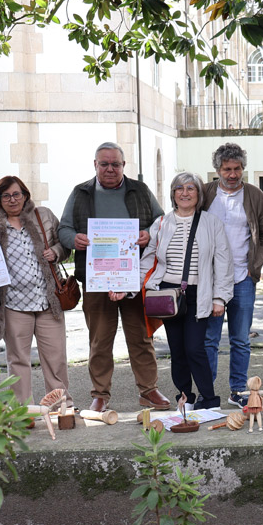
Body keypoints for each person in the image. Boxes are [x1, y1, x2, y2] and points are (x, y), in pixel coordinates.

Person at [58, 142, 170, 411]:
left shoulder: (140, 190)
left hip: (133, 276)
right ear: (95, 164)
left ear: (123, 166)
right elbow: (63, 229)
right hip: (97, 280)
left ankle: (148, 390)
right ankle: (100, 394)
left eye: (115, 164)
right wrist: (75, 239)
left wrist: (148, 234)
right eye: (104, 164)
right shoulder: (80, 192)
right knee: (99, 340)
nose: (110, 169)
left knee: (141, 337)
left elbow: (161, 221)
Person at [141, 172, 233, 410]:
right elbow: (148, 259)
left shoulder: (211, 223)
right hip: (167, 295)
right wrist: (130, 288)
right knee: (178, 350)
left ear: (198, 194)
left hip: (198, 293)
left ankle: (209, 400)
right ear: (173, 194)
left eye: (190, 188)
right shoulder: (162, 223)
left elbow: (223, 263)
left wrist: (220, 298)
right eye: (179, 188)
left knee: (195, 348)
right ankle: (185, 398)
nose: (184, 193)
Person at [0, 176, 70, 405]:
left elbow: (64, 244)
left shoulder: (42, 215)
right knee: (17, 361)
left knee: (56, 359)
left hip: (47, 301)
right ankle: (21, 410)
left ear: (25, 195)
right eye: (6, 196)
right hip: (14, 304)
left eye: (17, 194)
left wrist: (55, 252)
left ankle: (60, 405)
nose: (12, 199)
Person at [202, 143, 263, 408]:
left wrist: (256, 266)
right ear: (217, 169)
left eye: (237, 168)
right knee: (209, 339)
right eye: (227, 169)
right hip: (211, 280)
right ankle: (208, 393)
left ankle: (238, 390)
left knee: (240, 339)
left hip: (243, 277)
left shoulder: (256, 196)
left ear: (243, 168)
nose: (232, 174)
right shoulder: (205, 193)